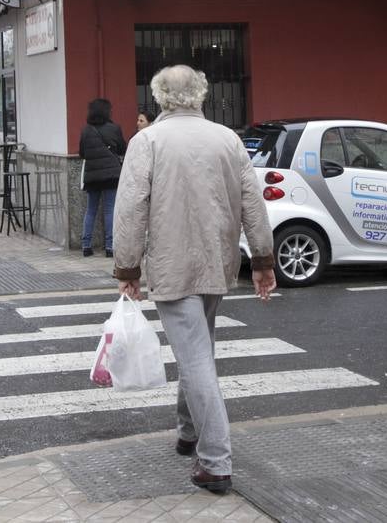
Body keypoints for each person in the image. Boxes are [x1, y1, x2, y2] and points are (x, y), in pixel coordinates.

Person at [113, 66, 276, 495]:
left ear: (160, 97)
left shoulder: (147, 141)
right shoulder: (228, 139)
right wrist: (261, 260)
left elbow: (130, 208)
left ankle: (215, 460)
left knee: (196, 357)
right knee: (199, 347)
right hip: (217, 262)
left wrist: (127, 268)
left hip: (172, 263)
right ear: (201, 95)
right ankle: (188, 431)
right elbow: (253, 204)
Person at [79, 98, 126, 258]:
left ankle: (86, 246)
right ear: (106, 111)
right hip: (111, 175)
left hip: (92, 176)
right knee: (109, 210)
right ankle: (109, 247)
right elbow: (122, 148)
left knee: (90, 210)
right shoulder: (114, 128)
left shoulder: (86, 130)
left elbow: (82, 153)